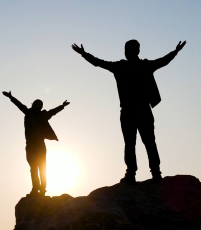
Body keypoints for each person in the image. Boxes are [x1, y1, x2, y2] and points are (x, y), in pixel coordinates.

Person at [71, 39, 186, 184]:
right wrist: (175, 52)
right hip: (141, 110)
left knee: (132, 143)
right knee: (147, 142)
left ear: (132, 51)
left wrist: (83, 54)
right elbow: (163, 61)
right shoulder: (143, 65)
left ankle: (133, 173)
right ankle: (153, 173)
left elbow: (98, 62)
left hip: (129, 111)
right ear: (138, 51)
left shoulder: (122, 67)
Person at [3, 91, 70, 196]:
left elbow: (19, 105)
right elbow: (52, 112)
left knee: (35, 168)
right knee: (41, 168)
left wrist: (11, 97)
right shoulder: (41, 114)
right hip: (38, 146)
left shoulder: (29, 112)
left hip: (32, 146)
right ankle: (40, 190)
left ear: (33, 105)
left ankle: (36, 189)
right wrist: (62, 106)